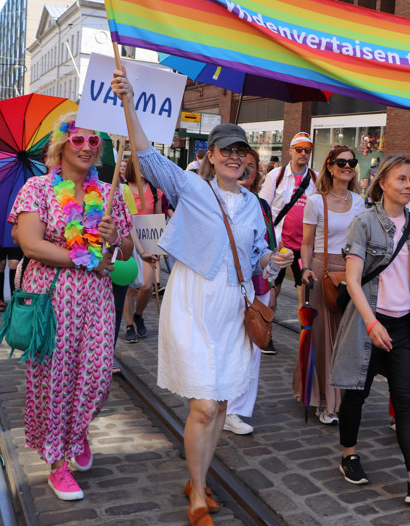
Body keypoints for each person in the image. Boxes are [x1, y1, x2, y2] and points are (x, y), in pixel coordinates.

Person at [111, 70, 293, 526]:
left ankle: (198, 479)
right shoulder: (192, 187)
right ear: (209, 156)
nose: (234, 158)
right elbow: (148, 156)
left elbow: (255, 260)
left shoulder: (254, 204)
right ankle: (195, 495)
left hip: (234, 305)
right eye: (225, 151)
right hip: (193, 301)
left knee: (223, 402)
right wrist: (129, 101)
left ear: (249, 161)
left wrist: (275, 260)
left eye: (240, 152)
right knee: (205, 404)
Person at [9, 113, 133, 500]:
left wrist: (114, 238)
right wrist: (87, 259)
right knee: (56, 380)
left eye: (93, 141)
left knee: (97, 376)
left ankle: (75, 430)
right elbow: (30, 244)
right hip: (53, 296)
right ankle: (57, 461)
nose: (85, 147)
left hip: (96, 298)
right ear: (61, 145)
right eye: (77, 140)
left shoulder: (109, 193)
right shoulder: (38, 188)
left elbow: (127, 250)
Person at [331, 155, 410, 504]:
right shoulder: (363, 223)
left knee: (405, 402)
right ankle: (349, 454)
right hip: (369, 322)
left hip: (404, 327)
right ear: (383, 183)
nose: (409, 186)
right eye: (402, 179)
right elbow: (352, 281)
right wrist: (370, 323)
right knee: (357, 394)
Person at [298, 145, 364, 425]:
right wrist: (304, 271)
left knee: (345, 341)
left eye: (351, 162)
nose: (347, 167)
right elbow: (307, 243)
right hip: (321, 272)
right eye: (341, 162)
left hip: (350, 272)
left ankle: (340, 397)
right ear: (329, 166)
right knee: (323, 339)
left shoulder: (360, 202)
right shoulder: (316, 201)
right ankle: (324, 400)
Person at [223, 149, 275, 436]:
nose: (244, 172)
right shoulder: (220, 201)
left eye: (251, 168)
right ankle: (221, 403)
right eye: (242, 166)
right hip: (228, 286)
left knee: (252, 349)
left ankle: (236, 409)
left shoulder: (261, 205)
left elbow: (268, 245)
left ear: (257, 174)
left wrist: (275, 271)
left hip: (258, 286)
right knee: (228, 346)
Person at [259, 132, 318, 324]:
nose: (303, 154)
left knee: (305, 299)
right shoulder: (276, 176)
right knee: (271, 293)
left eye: (307, 150)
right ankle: (266, 335)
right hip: (279, 246)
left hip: (304, 248)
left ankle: (304, 344)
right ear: (290, 151)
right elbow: (263, 209)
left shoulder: (316, 178)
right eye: (299, 149)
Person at [122, 159, 164, 343]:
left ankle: (139, 314)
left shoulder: (155, 190)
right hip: (127, 239)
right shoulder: (121, 190)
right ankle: (130, 325)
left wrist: (158, 246)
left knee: (147, 285)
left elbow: (157, 219)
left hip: (147, 238)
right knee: (128, 288)